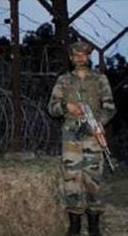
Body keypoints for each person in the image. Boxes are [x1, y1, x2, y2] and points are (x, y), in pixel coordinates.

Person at [47, 41, 116, 236]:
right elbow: (51, 107)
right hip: (71, 136)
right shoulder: (63, 81)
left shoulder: (100, 79)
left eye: (84, 55)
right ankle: (74, 225)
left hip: (93, 135)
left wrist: (99, 123)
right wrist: (66, 107)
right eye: (76, 55)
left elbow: (110, 107)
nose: (80, 58)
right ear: (71, 58)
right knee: (72, 180)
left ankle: (94, 226)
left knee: (93, 180)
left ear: (89, 57)